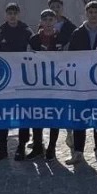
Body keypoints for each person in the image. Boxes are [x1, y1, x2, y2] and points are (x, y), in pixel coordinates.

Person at [66, 1, 97, 164]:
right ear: (86, 13)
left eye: (96, 12)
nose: (93, 15)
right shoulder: (78, 33)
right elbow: (71, 55)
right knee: (81, 114)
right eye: (90, 12)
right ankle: (78, 150)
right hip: (82, 80)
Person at [0, 3, 33, 161]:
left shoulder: (27, 32)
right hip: (4, 80)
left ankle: (21, 146)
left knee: (23, 113)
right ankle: (2, 147)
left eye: (14, 13)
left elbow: (33, 53)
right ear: (6, 14)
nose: (12, 16)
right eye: (9, 13)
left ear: (19, 14)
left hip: (22, 79)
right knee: (3, 113)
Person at [25, 9, 65, 159]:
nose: (48, 23)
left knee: (54, 115)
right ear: (41, 22)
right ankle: (37, 146)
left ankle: (52, 147)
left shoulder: (61, 38)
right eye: (45, 20)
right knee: (37, 115)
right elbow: (26, 59)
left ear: (55, 21)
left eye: (51, 20)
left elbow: (68, 58)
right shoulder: (34, 39)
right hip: (37, 83)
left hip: (56, 82)